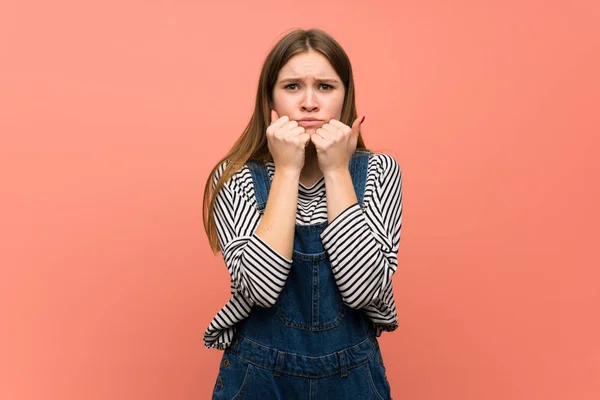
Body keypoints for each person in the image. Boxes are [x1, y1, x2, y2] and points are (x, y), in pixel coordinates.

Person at [202, 28, 403, 399]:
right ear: (270, 99)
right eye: (293, 86)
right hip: (258, 380)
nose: (309, 102)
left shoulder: (379, 172)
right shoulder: (235, 177)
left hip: (352, 380)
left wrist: (337, 170)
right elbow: (261, 290)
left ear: (346, 97)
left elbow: (362, 291)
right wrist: (288, 169)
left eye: (325, 87)